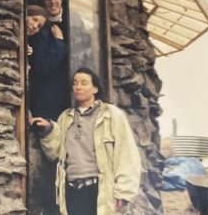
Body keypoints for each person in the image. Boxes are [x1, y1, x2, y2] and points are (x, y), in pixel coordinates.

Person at [29, 67, 141, 215]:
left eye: (84, 83)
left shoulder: (112, 115)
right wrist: (48, 130)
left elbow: (127, 154)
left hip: (98, 191)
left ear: (95, 88)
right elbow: (56, 154)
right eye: (75, 83)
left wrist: (124, 191)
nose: (78, 87)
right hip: (71, 191)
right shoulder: (65, 117)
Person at [35, 0, 93, 70]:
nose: (52, 2)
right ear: (42, 4)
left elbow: (84, 47)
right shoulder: (39, 26)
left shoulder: (74, 18)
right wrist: (58, 41)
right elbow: (42, 66)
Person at [26, 5, 69, 119]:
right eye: (34, 19)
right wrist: (59, 42)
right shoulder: (41, 38)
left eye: (39, 26)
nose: (35, 26)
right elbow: (44, 66)